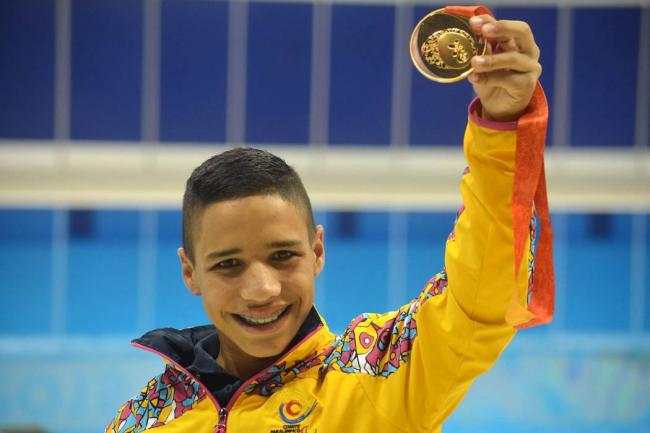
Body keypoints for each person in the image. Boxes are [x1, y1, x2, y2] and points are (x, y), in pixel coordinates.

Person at [105, 12, 554, 433]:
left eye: (283, 256)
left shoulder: (379, 374)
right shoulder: (147, 419)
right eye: (228, 265)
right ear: (190, 272)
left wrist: (503, 126)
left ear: (317, 250)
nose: (262, 289)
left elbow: (482, 300)